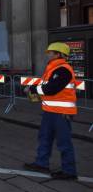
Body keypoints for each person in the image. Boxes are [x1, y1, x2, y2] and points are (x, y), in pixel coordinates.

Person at [23, 42, 78, 180]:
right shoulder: (52, 69)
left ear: (59, 54)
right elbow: (44, 85)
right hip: (49, 111)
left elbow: (51, 89)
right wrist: (32, 87)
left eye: (51, 52)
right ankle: (42, 164)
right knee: (44, 138)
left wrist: (33, 89)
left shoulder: (63, 69)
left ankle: (69, 172)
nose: (48, 55)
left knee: (63, 143)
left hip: (61, 113)